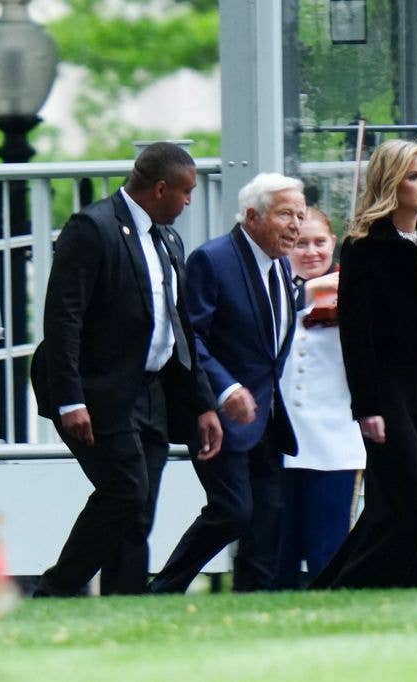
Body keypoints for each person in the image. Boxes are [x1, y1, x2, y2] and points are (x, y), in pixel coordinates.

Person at [30, 142, 222, 597]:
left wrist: (203, 403)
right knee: (125, 494)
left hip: (152, 391)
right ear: (160, 188)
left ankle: (126, 602)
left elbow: (181, 327)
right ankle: (54, 591)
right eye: (186, 192)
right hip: (98, 393)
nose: (189, 201)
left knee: (140, 510)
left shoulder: (169, 238)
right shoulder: (91, 228)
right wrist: (70, 399)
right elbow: (63, 318)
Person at [310, 139, 417, 590]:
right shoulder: (364, 247)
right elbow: (357, 336)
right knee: (411, 507)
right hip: (388, 393)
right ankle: (345, 591)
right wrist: (368, 406)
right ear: (390, 182)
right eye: (414, 176)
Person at [149, 172, 304, 594]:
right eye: (286, 214)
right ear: (252, 216)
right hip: (216, 417)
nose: (296, 225)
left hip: (268, 419)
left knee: (267, 521)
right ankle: (164, 588)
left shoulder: (284, 268)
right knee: (233, 510)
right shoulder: (213, 259)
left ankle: (253, 609)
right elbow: (189, 336)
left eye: (300, 215)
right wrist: (224, 388)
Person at [274, 206, 366, 589]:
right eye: (300, 243)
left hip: (335, 441)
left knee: (327, 546)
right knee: (279, 547)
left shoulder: (353, 291)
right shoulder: (276, 292)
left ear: (334, 245)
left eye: (320, 242)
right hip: (283, 440)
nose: (311, 252)